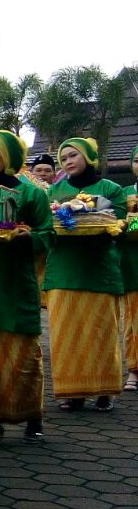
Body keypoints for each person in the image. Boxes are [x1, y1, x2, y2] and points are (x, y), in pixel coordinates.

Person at [0, 131, 53, 448]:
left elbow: (48, 233)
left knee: (24, 356)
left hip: (17, 284)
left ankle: (32, 416)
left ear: (9, 156)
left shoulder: (32, 195)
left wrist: (27, 238)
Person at [44, 138, 126, 413]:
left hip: (99, 272)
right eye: (63, 158)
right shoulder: (55, 190)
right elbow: (46, 226)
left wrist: (94, 216)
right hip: (63, 272)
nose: (67, 161)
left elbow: (119, 222)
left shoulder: (111, 189)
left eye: (72, 155)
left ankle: (105, 391)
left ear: (89, 155)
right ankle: (72, 392)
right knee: (66, 335)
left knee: (102, 333)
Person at [120, 145, 138, 396]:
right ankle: (134, 369)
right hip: (133, 263)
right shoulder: (123, 194)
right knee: (133, 321)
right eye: (137, 160)